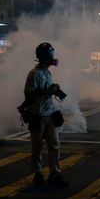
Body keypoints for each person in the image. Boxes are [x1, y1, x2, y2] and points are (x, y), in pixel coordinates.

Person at [23, 42, 68, 187]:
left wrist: (54, 89)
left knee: (54, 146)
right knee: (37, 148)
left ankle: (55, 174)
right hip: (37, 115)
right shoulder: (33, 74)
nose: (53, 60)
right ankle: (37, 174)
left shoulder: (48, 73)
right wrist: (47, 91)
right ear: (44, 58)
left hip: (49, 114)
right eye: (50, 57)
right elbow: (28, 93)